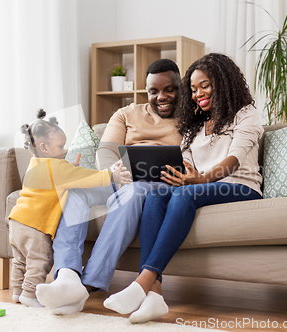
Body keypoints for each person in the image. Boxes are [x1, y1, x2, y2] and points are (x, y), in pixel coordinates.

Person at [103, 53, 264, 323]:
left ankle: (142, 283)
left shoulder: (246, 115)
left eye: (205, 85)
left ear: (223, 82)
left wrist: (198, 180)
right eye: (193, 88)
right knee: (157, 194)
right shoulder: (195, 125)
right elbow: (187, 163)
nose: (198, 93)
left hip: (239, 185)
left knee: (185, 193)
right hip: (202, 186)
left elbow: (233, 161)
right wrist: (181, 174)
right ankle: (155, 295)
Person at [35, 59, 183, 314]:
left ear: (180, 87)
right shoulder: (126, 114)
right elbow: (106, 150)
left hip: (158, 187)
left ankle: (88, 283)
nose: (162, 97)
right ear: (145, 91)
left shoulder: (192, 119)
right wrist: (117, 174)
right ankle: (68, 276)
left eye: (169, 89)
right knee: (76, 189)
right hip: (121, 180)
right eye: (153, 91)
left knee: (134, 192)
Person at [8, 109, 130, 307]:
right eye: (61, 146)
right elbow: (86, 177)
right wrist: (111, 176)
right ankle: (29, 294)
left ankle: (16, 291)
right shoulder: (57, 168)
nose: (64, 150)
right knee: (41, 259)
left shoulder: (35, 164)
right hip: (34, 226)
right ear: (44, 147)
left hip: (16, 221)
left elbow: (61, 176)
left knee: (20, 260)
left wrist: (67, 167)